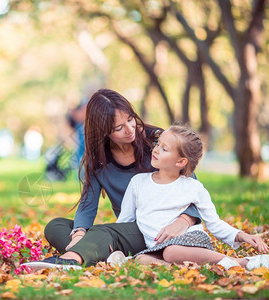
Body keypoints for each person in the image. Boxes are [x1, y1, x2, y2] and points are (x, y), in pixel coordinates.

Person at [22, 89, 201, 270]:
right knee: (56, 226)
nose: (130, 129)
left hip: (161, 228)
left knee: (104, 232)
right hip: (125, 229)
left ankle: (71, 260)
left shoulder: (158, 141)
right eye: (118, 128)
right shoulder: (98, 158)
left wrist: (183, 221)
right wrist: (78, 233)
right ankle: (111, 256)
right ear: (103, 131)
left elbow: (193, 189)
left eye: (130, 119)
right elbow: (88, 203)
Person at [107, 125, 269, 270]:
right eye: (158, 144)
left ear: (180, 162)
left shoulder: (192, 187)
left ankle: (240, 263)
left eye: (164, 149)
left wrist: (242, 235)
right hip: (157, 248)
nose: (156, 149)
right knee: (142, 259)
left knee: (171, 252)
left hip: (190, 241)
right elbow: (124, 221)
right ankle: (191, 268)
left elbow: (214, 223)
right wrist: (114, 245)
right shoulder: (138, 182)